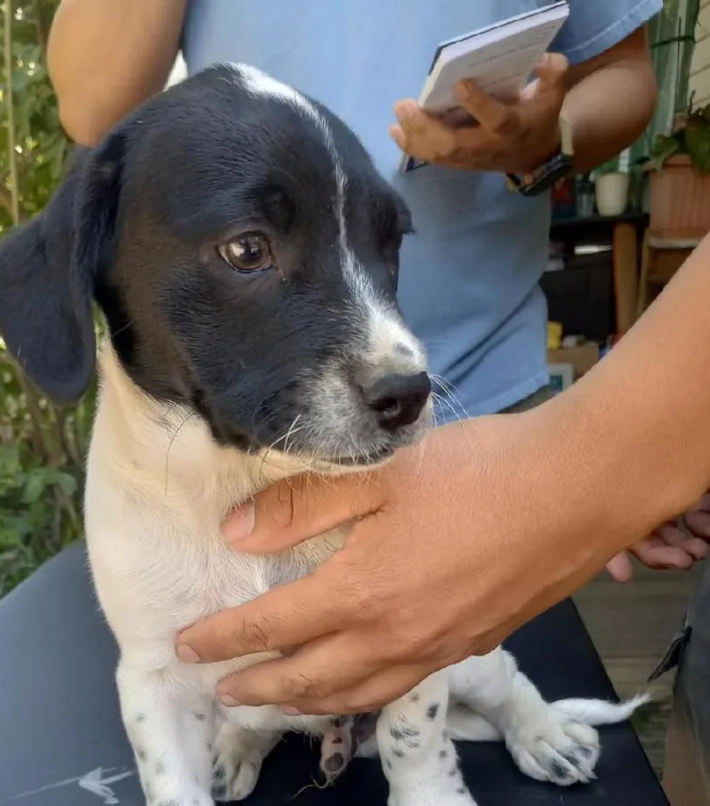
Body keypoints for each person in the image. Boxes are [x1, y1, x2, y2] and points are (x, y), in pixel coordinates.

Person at [175, 232, 710, 715]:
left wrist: (604, 470)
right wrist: (641, 463)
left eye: (388, 250)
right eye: (248, 253)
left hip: (492, 395)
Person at [47, 0, 659, 418]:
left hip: (483, 388)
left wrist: (552, 136)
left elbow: (623, 70)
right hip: (256, 422)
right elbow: (94, 104)